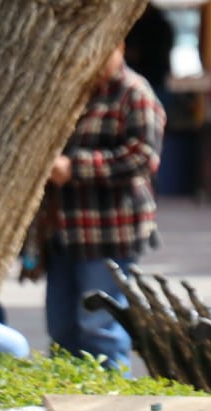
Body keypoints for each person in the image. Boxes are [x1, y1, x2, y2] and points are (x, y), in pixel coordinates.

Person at [26, 41, 165, 373]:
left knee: (100, 327)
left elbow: (143, 157)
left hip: (108, 232)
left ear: (120, 47)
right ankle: (70, 395)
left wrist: (76, 168)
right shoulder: (74, 93)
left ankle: (112, 398)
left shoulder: (134, 92)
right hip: (64, 231)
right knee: (61, 327)